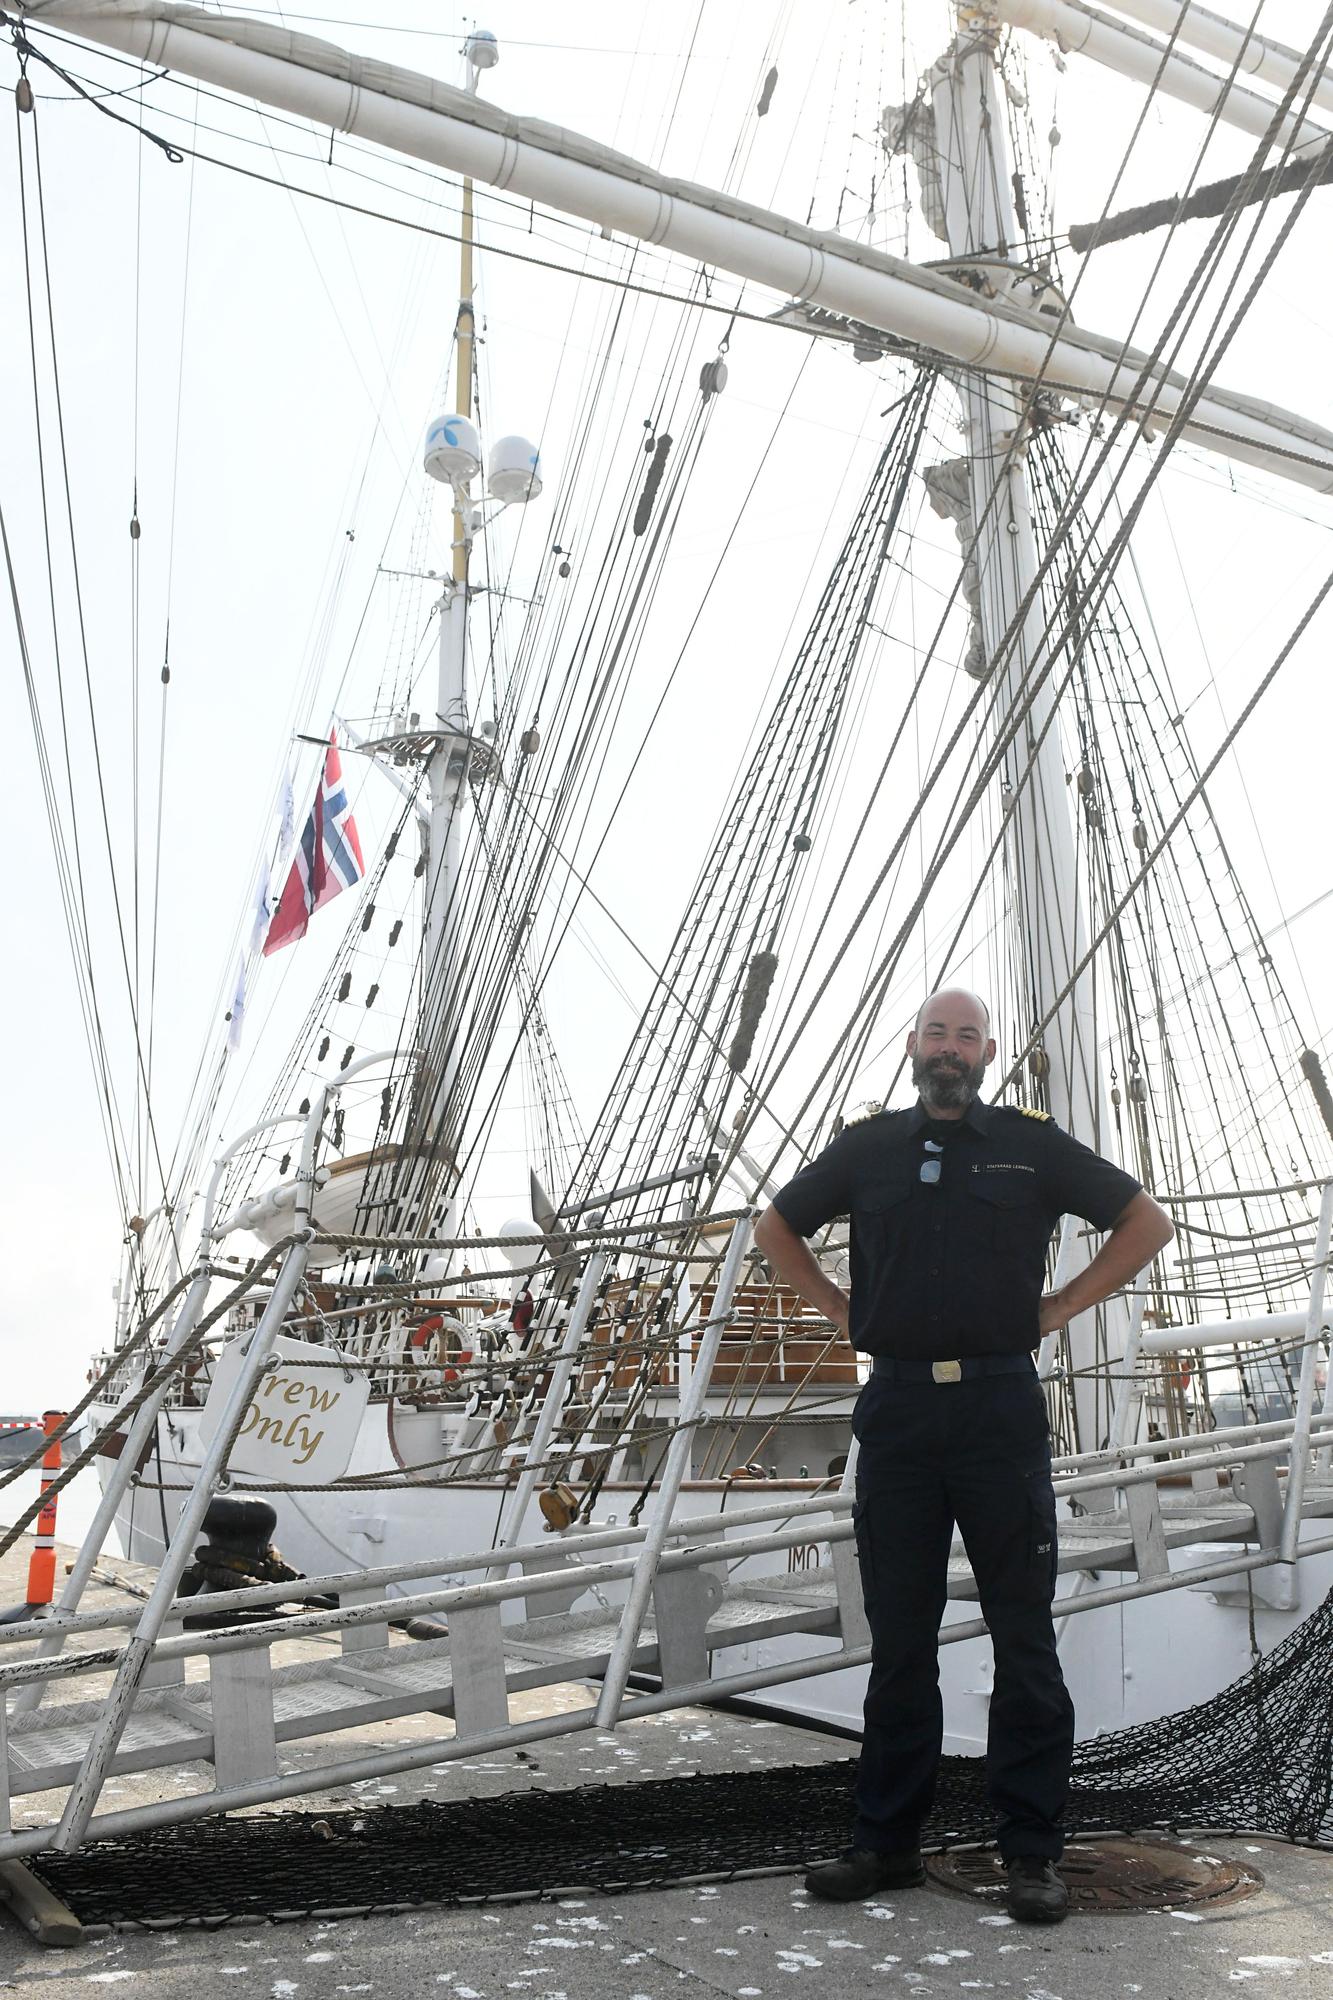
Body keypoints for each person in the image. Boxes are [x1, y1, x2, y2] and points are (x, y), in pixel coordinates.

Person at [754, 989, 1173, 1922]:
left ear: (988, 1054)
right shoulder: (868, 1148)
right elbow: (773, 1225)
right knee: (899, 1643)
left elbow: (1145, 1222)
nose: (950, 1049)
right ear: (912, 1046)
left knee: (1023, 1640)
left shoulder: (1030, 1145)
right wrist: (840, 1310)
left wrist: (1063, 1305)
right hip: (898, 1412)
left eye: (967, 1036)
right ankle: (885, 1845)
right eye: (937, 1033)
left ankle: (1030, 1852)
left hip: (997, 1410)